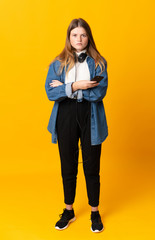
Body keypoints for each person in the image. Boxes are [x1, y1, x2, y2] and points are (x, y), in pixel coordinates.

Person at [45, 18, 108, 233]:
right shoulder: (58, 63)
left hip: (90, 115)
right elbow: (50, 93)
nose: (79, 39)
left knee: (92, 165)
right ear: (69, 38)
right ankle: (69, 210)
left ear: (88, 37)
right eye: (74, 35)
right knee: (67, 164)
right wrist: (77, 85)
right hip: (65, 114)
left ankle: (94, 211)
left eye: (82, 35)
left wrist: (67, 88)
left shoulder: (99, 62)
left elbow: (99, 93)